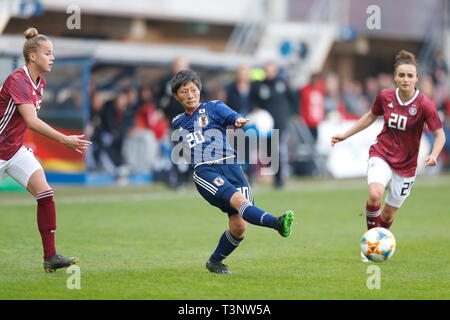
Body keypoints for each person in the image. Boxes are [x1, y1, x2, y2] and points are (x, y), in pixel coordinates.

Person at [170, 70, 295, 274]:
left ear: (200, 91)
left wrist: (237, 120)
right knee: (239, 200)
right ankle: (277, 223)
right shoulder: (177, 122)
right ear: (177, 96)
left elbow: (232, 116)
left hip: (232, 167)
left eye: (193, 90)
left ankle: (215, 262)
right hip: (206, 171)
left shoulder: (213, 107)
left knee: (239, 227)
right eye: (184, 92)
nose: (190, 95)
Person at [331, 50, 445, 261]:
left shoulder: (424, 105)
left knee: (388, 215)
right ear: (395, 76)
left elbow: (440, 135)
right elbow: (369, 117)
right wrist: (345, 135)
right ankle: (371, 244)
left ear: (417, 78)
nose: (405, 79)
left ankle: (379, 242)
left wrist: (434, 154)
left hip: (407, 167)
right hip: (381, 154)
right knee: (374, 195)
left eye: (410, 76)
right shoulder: (385, 97)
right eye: (401, 75)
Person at [0, 28, 91, 272]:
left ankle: (50, 257)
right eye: (47, 53)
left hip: (14, 151)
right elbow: (30, 121)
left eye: (53, 53)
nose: (52, 57)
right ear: (32, 56)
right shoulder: (18, 79)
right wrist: (65, 139)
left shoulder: (40, 82)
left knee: (45, 194)